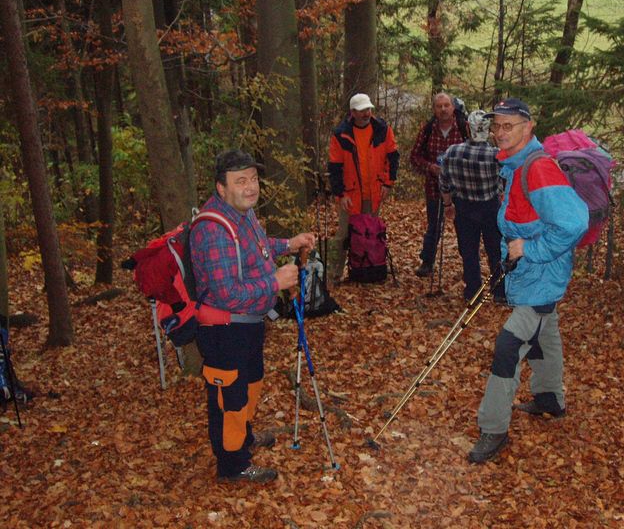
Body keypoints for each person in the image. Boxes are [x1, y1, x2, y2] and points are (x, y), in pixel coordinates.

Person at [467, 98, 588, 464]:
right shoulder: (515, 165)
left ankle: (494, 428)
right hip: (532, 273)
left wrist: (529, 249)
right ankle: (550, 398)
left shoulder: (538, 168)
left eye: (509, 126)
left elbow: (573, 224)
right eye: (496, 126)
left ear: (529, 127)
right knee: (544, 330)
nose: (500, 133)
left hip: (542, 272)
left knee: (508, 345)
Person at [191, 149, 316, 483]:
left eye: (254, 179)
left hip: (248, 326)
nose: (250, 187)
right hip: (224, 331)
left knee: (249, 387)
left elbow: (257, 248)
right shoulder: (213, 229)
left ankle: (243, 439)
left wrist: (288, 244)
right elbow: (225, 293)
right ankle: (232, 465)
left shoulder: (241, 214)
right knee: (229, 398)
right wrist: (274, 282)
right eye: (240, 181)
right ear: (221, 188)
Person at [327, 93, 400, 280]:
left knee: (370, 232)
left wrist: (388, 183)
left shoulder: (383, 129)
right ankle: (333, 274)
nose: (367, 113)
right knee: (343, 234)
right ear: (353, 112)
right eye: (362, 110)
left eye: (368, 109)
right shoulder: (341, 134)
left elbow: (393, 157)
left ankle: (367, 270)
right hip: (350, 194)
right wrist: (340, 194)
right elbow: (334, 167)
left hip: (374, 191)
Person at [439, 110, 505, 302]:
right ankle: (499, 292)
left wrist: (448, 204)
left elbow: (444, 182)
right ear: (488, 130)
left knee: (468, 251)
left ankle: (473, 293)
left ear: (468, 127)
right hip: (490, 208)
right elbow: (504, 182)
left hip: (464, 207)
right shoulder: (496, 155)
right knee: (495, 250)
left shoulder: (453, 151)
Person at [409, 92, 468, 277]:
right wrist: (430, 167)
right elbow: (414, 156)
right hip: (434, 187)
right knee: (434, 226)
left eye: (446, 105)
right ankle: (427, 262)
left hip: (461, 188)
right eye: (439, 106)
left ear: (453, 107)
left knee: (464, 226)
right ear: (434, 110)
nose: (443, 109)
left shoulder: (464, 128)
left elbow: (477, 151)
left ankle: (469, 265)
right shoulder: (427, 130)